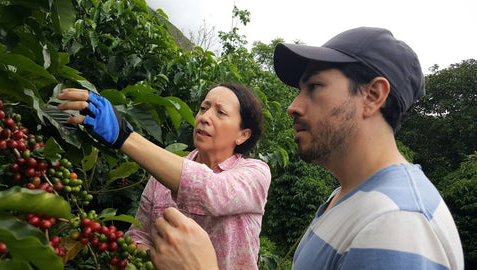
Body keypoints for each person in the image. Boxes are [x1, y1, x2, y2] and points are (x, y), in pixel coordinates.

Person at [147, 27, 465, 269]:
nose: (293, 107)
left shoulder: (398, 223)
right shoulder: (349, 200)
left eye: (314, 87)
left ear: (372, 96)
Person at [57, 82, 271, 270]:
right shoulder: (161, 178)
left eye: (220, 113)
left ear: (243, 134)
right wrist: (149, 255)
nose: (205, 118)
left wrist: (125, 137)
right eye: (203, 108)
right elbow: (139, 234)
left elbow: (212, 191)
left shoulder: (255, 173)